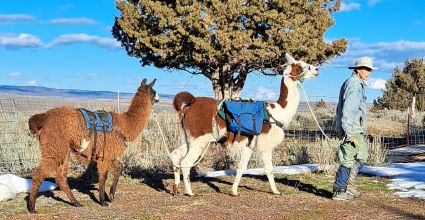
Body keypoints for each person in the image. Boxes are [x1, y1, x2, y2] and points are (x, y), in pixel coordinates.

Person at [333, 57, 376, 201]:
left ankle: (349, 184)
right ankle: (339, 191)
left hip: (356, 128)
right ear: (358, 69)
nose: (369, 73)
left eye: (370, 70)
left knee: (362, 156)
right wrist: (349, 133)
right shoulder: (354, 84)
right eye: (366, 69)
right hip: (351, 129)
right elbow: (348, 110)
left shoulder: (357, 84)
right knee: (347, 159)